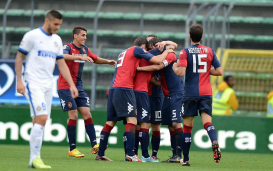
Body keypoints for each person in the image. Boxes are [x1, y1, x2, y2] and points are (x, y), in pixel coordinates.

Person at [15, 10, 78, 169]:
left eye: (60, 25)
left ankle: (33, 160)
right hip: (33, 82)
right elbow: (19, 57)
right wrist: (19, 81)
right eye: (55, 24)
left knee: (39, 120)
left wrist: (71, 84)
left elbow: (61, 63)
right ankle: (36, 158)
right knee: (42, 118)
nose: (57, 27)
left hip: (48, 85)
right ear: (47, 21)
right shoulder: (32, 36)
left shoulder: (57, 40)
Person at [95, 37, 173, 162]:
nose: (146, 51)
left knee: (110, 122)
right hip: (124, 88)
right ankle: (130, 154)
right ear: (143, 46)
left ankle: (100, 153)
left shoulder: (123, 52)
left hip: (113, 87)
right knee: (132, 119)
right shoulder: (137, 49)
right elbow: (158, 60)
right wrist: (167, 51)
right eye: (146, 49)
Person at [58, 26, 116, 158]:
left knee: (87, 114)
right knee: (73, 115)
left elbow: (95, 58)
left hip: (79, 86)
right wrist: (80, 57)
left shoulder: (85, 49)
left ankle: (94, 145)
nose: (85, 37)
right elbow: (61, 56)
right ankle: (72, 149)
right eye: (83, 35)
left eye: (86, 35)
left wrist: (107, 61)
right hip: (65, 86)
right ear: (75, 36)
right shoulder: (67, 47)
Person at [172, 24, 223, 166]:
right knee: (208, 122)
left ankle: (186, 159)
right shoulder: (210, 51)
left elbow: (181, 73)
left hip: (190, 94)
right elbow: (219, 72)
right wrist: (206, 71)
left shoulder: (184, 52)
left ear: (190, 36)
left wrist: (174, 67)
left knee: (187, 127)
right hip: (206, 93)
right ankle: (213, 141)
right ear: (201, 36)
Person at [137, 37, 184, 163]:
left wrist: (139, 69)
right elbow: (159, 80)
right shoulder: (165, 51)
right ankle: (175, 155)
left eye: (150, 45)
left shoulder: (169, 55)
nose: (149, 48)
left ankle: (179, 155)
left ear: (155, 45)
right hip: (167, 95)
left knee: (176, 124)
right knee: (170, 126)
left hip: (176, 94)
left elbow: (159, 66)